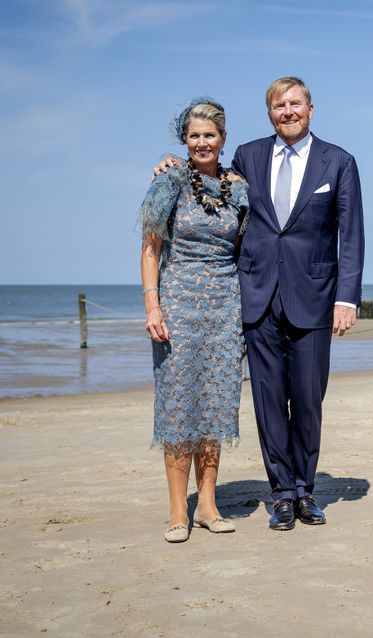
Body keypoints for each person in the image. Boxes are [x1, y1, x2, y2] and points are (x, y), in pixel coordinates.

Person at [155, 77, 366, 530]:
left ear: (310, 108)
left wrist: (347, 298)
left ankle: (306, 489)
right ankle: (283, 495)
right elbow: (205, 181)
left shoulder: (340, 162)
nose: (287, 112)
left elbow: (351, 235)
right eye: (278, 106)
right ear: (269, 113)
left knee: (308, 400)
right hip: (256, 297)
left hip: (314, 297)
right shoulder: (247, 158)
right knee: (268, 402)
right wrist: (172, 164)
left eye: (294, 104)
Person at [139, 99, 248, 542]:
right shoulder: (169, 182)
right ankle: (176, 512)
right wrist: (153, 306)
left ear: (223, 140)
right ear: (184, 140)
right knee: (179, 404)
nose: (202, 142)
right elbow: (151, 248)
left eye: (210, 135)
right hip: (177, 308)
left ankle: (207, 505)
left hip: (225, 307)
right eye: (194, 135)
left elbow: (243, 249)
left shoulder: (238, 188)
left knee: (217, 404)